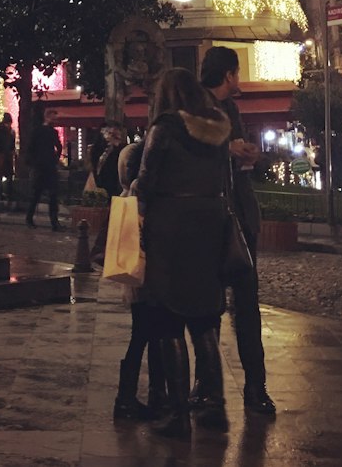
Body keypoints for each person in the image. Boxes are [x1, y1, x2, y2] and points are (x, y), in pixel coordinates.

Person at [136, 66, 232, 439]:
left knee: (168, 318)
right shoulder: (218, 130)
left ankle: (178, 415)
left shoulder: (165, 129)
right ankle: (215, 406)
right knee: (205, 317)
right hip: (209, 225)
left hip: (171, 227)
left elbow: (146, 181)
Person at [198, 44, 276, 417]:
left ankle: (255, 385)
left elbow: (234, 159)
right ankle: (208, 384)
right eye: (237, 73)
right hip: (211, 220)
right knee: (207, 307)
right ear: (227, 74)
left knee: (246, 306)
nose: (239, 80)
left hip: (240, 218)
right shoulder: (195, 111)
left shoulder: (231, 109)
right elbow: (196, 157)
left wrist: (247, 157)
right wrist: (226, 149)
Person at [111, 140, 165, 422]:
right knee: (146, 336)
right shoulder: (138, 198)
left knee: (145, 335)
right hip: (145, 279)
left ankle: (133, 397)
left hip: (135, 281)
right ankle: (127, 398)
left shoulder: (125, 197)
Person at [88, 124, 127, 263]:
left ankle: (101, 250)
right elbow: (98, 168)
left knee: (113, 217)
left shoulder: (118, 149)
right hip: (113, 186)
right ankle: (100, 250)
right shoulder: (102, 150)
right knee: (112, 218)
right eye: (109, 133)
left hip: (117, 186)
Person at [25, 109, 63, 230]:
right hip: (42, 166)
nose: (55, 121)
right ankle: (31, 218)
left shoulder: (48, 131)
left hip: (46, 166)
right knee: (38, 194)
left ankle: (53, 221)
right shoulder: (40, 131)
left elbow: (58, 146)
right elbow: (31, 147)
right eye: (53, 118)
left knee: (51, 195)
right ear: (47, 117)